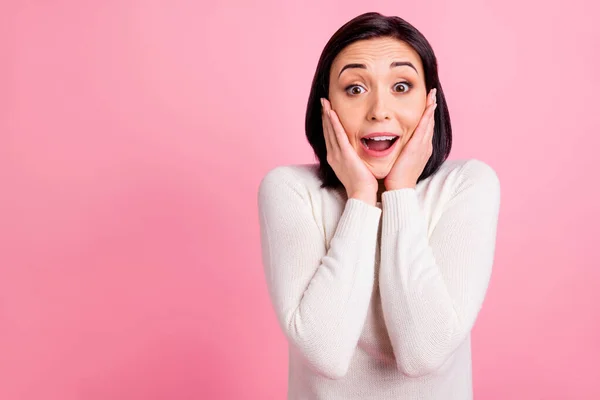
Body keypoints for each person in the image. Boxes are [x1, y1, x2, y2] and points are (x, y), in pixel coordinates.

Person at [257, 11, 501, 400]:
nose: (379, 110)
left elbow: (423, 354)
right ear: (326, 105)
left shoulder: (467, 184)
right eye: (355, 89)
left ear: (430, 101)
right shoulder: (290, 190)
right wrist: (360, 197)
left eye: (402, 86)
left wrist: (400, 191)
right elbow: (327, 353)